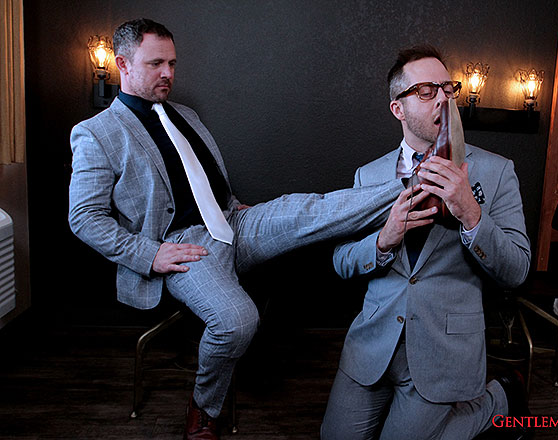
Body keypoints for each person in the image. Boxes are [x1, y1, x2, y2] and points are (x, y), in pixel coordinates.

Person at [68, 19, 421, 440]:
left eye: (172, 63)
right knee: (237, 321)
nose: (168, 73)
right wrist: (151, 254)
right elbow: (84, 217)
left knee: (307, 209)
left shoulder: (185, 115)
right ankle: (204, 408)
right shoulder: (96, 133)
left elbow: (202, 178)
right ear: (123, 64)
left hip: (232, 220)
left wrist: (233, 206)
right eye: (156, 63)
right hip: (182, 245)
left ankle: (415, 186)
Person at [320, 45, 532, 440]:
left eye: (448, 89)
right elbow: (342, 260)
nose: (443, 99)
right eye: (426, 91)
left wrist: (471, 213)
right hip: (373, 344)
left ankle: (499, 398)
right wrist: (383, 240)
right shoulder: (368, 176)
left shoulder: (497, 171)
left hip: (444, 351)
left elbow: (517, 270)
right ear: (398, 109)